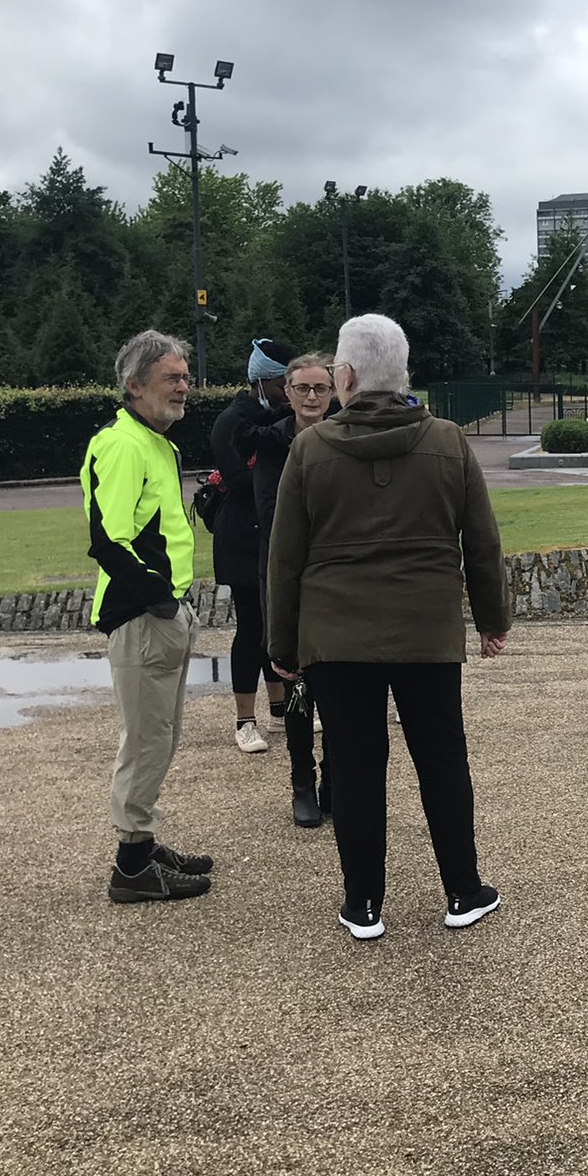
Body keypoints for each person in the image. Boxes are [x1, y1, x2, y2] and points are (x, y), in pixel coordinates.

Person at [267, 314, 512, 941]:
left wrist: (282, 646)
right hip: (426, 628)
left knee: (353, 765)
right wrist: (491, 619)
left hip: (335, 634)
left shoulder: (311, 448)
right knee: (441, 759)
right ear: (403, 374)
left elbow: (285, 558)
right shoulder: (449, 441)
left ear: (344, 376)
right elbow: (480, 541)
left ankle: (364, 904)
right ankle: (462, 889)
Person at [80, 330, 213, 903]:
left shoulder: (156, 441)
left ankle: (143, 841)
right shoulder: (124, 444)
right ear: (134, 385)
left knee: (160, 737)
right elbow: (108, 539)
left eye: (185, 377)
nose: (184, 387)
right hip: (142, 617)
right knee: (146, 740)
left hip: (162, 612)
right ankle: (131, 866)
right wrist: (159, 596)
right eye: (172, 378)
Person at [245, 352, 338, 828]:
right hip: (285, 572)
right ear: (288, 391)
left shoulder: (345, 436)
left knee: (339, 685)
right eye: (302, 388)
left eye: (320, 388)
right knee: (296, 679)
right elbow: (268, 508)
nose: (311, 397)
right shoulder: (273, 440)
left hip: (336, 574)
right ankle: (302, 780)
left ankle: (333, 781)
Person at [211, 338, 296, 755]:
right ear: (262, 381)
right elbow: (238, 477)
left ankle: (280, 707)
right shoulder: (232, 421)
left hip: (274, 530)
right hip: (242, 535)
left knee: (275, 621)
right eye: (284, 383)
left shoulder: (285, 418)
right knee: (251, 625)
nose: (289, 392)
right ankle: (245, 720)